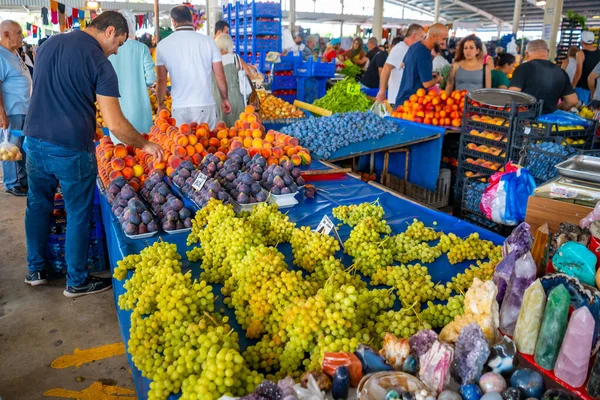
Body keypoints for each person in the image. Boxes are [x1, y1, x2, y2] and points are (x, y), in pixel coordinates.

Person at [22, 11, 163, 296]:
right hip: (71, 149)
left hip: (34, 139)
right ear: (110, 31)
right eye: (120, 43)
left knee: (37, 205)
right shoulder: (100, 63)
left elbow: (50, 92)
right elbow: (116, 125)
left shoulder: (49, 44)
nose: (117, 51)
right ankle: (77, 281)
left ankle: (35, 269)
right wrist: (146, 144)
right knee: (78, 213)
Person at [156, 6, 230, 129]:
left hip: (179, 108)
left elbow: (161, 80)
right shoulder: (208, 42)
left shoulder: (162, 45)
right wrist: (225, 98)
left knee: (183, 145)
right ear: (191, 19)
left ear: (173, 21)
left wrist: (160, 104)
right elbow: (219, 74)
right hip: (205, 105)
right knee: (208, 144)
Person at [108, 9, 156, 136]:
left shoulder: (109, 49)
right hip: (140, 105)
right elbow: (151, 77)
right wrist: (140, 83)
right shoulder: (142, 48)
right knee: (144, 150)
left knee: (119, 151)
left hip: (115, 107)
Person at [0, 20, 30, 197]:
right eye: (18, 33)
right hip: (12, 110)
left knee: (20, 147)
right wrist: (1, 113)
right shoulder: (1, 55)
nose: (22, 36)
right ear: (6, 35)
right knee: (10, 147)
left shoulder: (13, 53)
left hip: (22, 108)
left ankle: (22, 180)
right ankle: (13, 182)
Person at [509, 39, 578, 115]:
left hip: (524, 119)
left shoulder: (522, 69)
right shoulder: (561, 72)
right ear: (548, 52)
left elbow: (512, 94)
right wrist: (557, 108)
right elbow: (572, 101)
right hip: (549, 121)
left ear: (527, 54)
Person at [395, 23, 448, 105]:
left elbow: (403, 64)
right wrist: (438, 79)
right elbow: (426, 84)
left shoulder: (415, 46)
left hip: (402, 98)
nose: (444, 43)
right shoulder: (425, 54)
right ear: (433, 37)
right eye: (443, 39)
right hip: (412, 103)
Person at [375, 25, 425, 106]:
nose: (423, 40)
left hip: (404, 99)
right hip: (397, 100)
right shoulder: (401, 48)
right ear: (414, 36)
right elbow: (386, 68)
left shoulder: (409, 49)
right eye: (422, 36)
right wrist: (382, 91)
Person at [212, 34, 245, 127]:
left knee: (220, 131)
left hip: (216, 98)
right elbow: (249, 74)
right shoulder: (235, 58)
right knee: (238, 129)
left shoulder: (211, 60)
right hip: (235, 97)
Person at [573, 31, 600, 104]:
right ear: (593, 41)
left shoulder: (580, 53)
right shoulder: (599, 51)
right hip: (595, 89)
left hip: (582, 88)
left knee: (579, 111)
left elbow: (578, 73)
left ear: (582, 42)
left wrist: (572, 86)